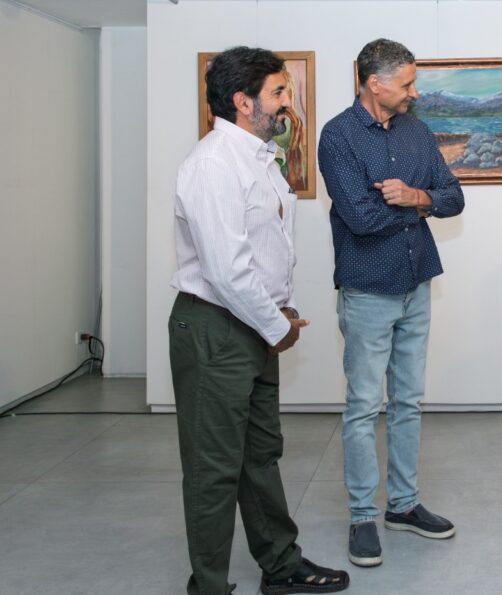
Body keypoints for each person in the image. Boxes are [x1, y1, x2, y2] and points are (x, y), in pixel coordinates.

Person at [169, 46, 349, 594]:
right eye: (278, 92)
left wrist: (276, 313)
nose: (287, 102)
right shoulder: (212, 165)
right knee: (214, 468)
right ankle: (208, 586)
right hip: (216, 329)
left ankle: (281, 565)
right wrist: (278, 327)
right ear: (243, 102)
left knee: (260, 455)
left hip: (251, 325)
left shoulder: (258, 159)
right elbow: (226, 271)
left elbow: (264, 251)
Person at [318, 38, 465, 568]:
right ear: (373, 82)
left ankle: (402, 505)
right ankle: (363, 515)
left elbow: (453, 198)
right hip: (367, 288)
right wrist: (419, 208)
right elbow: (360, 218)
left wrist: (415, 196)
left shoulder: (416, 131)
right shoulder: (337, 136)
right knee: (363, 406)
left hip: (416, 280)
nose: (414, 92)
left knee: (408, 401)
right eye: (406, 83)